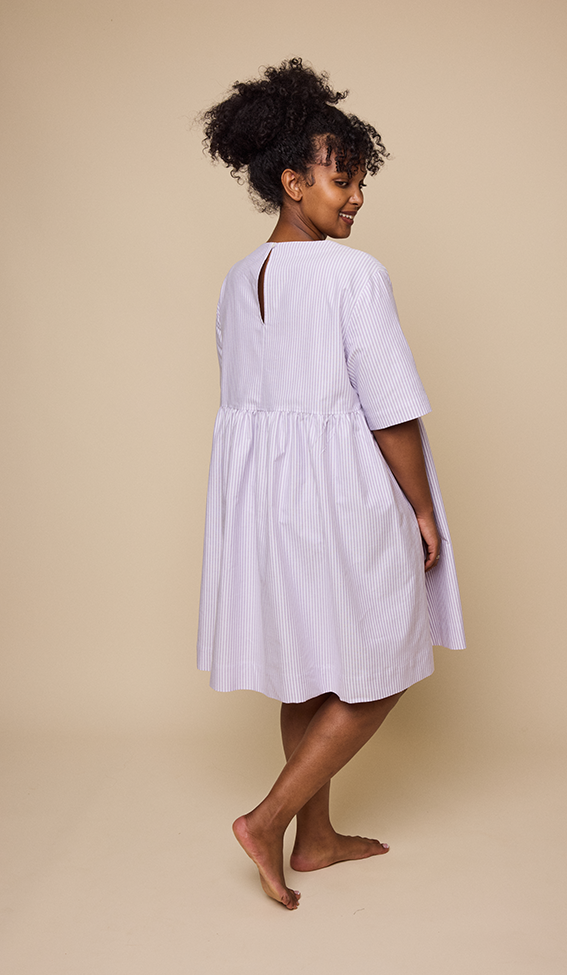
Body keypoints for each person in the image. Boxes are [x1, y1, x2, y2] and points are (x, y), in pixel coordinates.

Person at [197, 58, 465, 910]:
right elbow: (389, 407)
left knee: (305, 672)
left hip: (263, 502)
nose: (355, 197)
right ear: (292, 182)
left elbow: (246, 399)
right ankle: (269, 819)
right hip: (341, 491)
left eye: (358, 181)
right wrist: (421, 508)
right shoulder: (355, 275)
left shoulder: (237, 280)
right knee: (384, 660)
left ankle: (315, 840)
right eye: (341, 180)